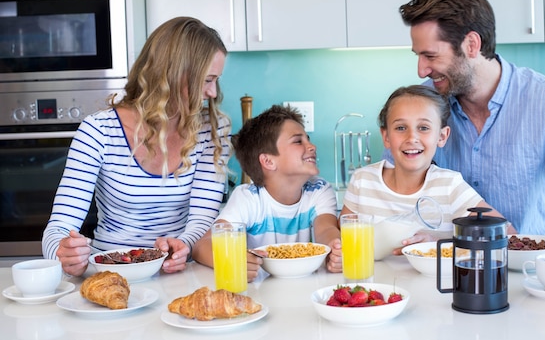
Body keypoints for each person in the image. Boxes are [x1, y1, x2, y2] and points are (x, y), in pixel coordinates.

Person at [396, 0, 545, 270]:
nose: (421, 70)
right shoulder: (423, 105)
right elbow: (389, 185)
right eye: (418, 56)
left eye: (430, 56)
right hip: (440, 273)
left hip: (529, 273)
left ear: (471, 45)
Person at [42, 17, 231, 277]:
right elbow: (59, 227)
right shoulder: (98, 130)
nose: (213, 92)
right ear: (174, 76)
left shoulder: (211, 129)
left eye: (216, 80)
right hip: (110, 273)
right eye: (207, 80)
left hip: (178, 274)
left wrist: (181, 246)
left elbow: (202, 219)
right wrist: (62, 253)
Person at [341, 85, 514, 259]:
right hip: (373, 284)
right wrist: (336, 254)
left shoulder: (449, 186)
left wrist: (437, 245)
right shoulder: (363, 181)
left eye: (423, 128)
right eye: (401, 128)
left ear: (442, 137)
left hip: (434, 285)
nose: (412, 138)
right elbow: (342, 239)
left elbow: (507, 235)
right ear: (386, 137)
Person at [193, 105, 342, 281]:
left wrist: (335, 248)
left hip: (305, 287)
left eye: (307, 139)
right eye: (298, 141)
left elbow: (326, 228)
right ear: (268, 161)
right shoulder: (248, 198)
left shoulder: (319, 190)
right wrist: (229, 260)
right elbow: (201, 245)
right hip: (259, 291)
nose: (312, 146)